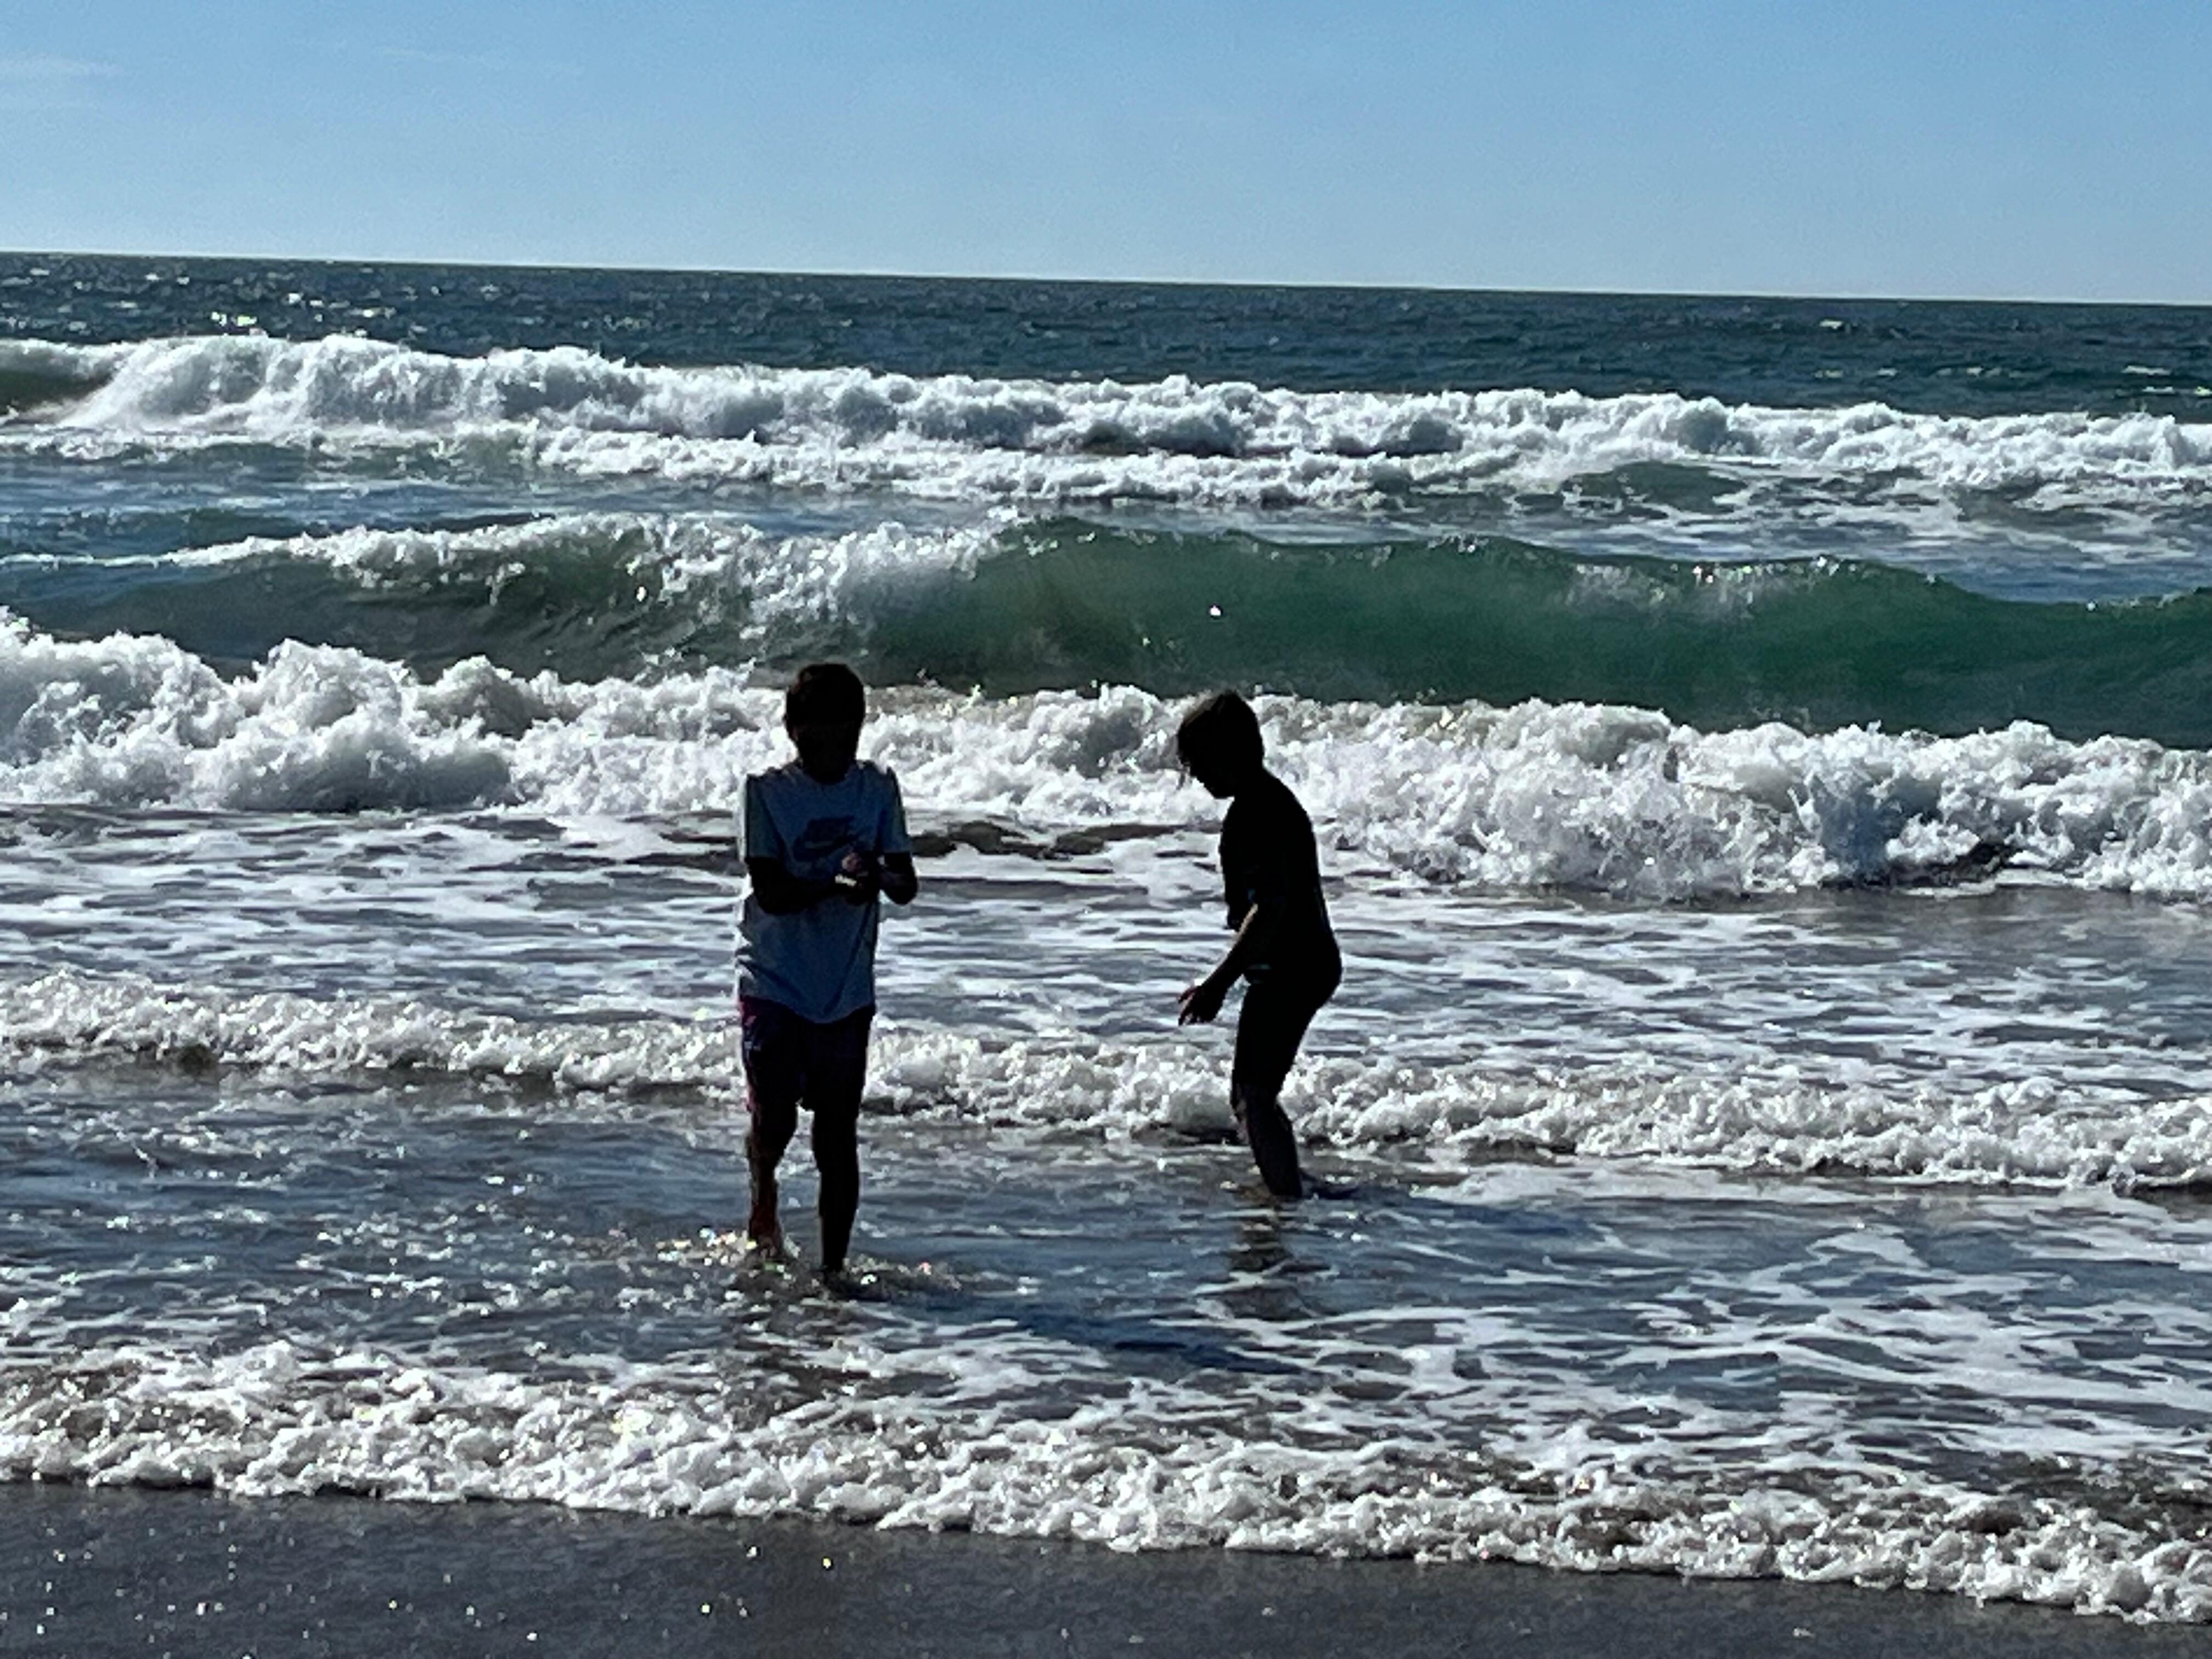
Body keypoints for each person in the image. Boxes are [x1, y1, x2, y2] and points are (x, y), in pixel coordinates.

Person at [736, 662, 916, 1276]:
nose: (836, 753)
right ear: (794, 731)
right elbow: (772, 889)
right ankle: (763, 1190)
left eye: (848, 737)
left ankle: (832, 1270)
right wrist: (834, 881)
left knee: (838, 1137)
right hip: (775, 979)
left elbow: (906, 883)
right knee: (778, 1119)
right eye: (821, 739)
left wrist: (875, 876)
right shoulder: (766, 792)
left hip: (845, 989)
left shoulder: (876, 788)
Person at [1175, 691, 1341, 1199]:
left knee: (1253, 1092)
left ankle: (1286, 1198)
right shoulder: (1260, 804)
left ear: (1232, 752)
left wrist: (1217, 984)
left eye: (1200, 762)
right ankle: (1286, 1181)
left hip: (1296, 967)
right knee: (1252, 1092)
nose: (1197, 775)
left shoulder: (1264, 813)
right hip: (1291, 966)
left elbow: (1270, 909)